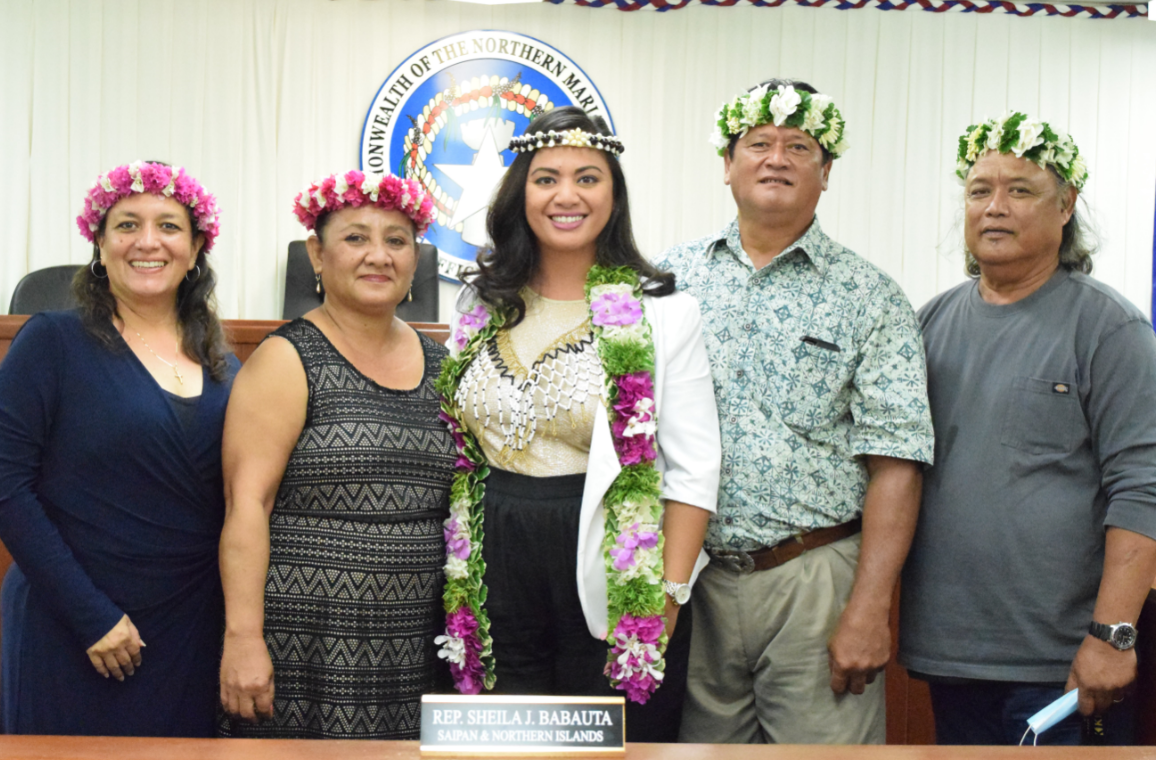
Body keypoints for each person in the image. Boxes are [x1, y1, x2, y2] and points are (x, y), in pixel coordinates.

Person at [657, 79, 935, 745]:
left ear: (827, 171)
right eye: (759, 143)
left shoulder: (870, 296)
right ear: (727, 164)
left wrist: (869, 608)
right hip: (693, 582)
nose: (777, 158)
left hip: (815, 580)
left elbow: (897, 464)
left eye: (799, 146)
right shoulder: (668, 280)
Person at [435, 106, 720, 742]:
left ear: (614, 197)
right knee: (505, 743)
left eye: (587, 178)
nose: (567, 195)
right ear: (521, 194)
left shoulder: (664, 313)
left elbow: (696, 470)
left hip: (610, 554)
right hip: (492, 552)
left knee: (611, 741)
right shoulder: (480, 301)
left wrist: (667, 596)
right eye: (547, 178)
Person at [899, 114, 1156, 746]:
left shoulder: (1111, 330)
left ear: (1066, 206)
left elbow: (1143, 488)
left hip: (1065, 666)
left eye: (1020, 190)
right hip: (950, 658)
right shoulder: (927, 325)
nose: (995, 207)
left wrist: (1112, 635)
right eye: (979, 190)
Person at [217, 171, 456, 739]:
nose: (379, 255)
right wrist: (243, 638)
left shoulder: (443, 365)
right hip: (307, 636)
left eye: (396, 241)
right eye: (355, 238)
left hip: (415, 636)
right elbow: (246, 505)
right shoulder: (286, 358)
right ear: (316, 255)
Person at [0, 161, 235, 736]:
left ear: (196, 247)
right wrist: (90, 615)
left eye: (169, 226)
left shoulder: (226, 365)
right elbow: (6, 485)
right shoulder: (52, 341)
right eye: (127, 225)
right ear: (100, 245)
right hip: (75, 627)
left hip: (189, 630)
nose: (147, 242)